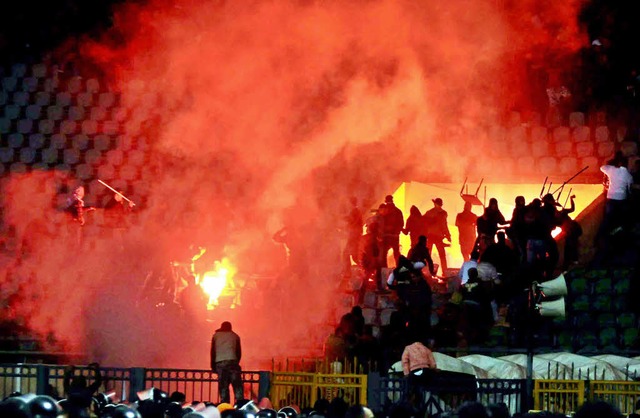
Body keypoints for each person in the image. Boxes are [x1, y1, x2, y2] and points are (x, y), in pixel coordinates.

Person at [600, 152, 633, 235]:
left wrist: (611, 160)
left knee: (607, 218)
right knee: (620, 218)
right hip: (622, 199)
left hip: (611, 197)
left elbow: (602, 167)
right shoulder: (628, 175)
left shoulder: (611, 169)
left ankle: (601, 236)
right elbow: (629, 187)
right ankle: (618, 233)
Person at [211, 321, 243, 404]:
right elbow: (238, 352)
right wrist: (236, 362)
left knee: (223, 387)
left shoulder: (216, 336)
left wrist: (213, 366)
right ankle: (239, 405)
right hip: (233, 362)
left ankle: (225, 406)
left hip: (220, 363)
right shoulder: (235, 336)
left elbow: (213, 352)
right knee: (237, 386)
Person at [423, 198, 451, 273]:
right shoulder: (443, 213)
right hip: (438, 236)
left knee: (427, 255)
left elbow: (423, 222)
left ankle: (426, 271)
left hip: (431, 236)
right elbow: (444, 225)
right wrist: (448, 235)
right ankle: (445, 272)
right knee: (442, 256)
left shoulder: (429, 212)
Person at [381, 195, 404, 267]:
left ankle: (384, 270)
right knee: (396, 253)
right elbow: (401, 223)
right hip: (395, 236)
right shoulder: (398, 211)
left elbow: (379, 221)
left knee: (383, 253)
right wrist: (397, 232)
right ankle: (399, 269)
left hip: (385, 236)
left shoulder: (384, 211)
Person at [342, 197, 363, 277]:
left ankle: (350, 272)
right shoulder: (356, 211)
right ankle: (362, 271)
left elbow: (352, 222)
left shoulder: (355, 211)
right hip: (355, 236)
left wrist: (344, 222)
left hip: (354, 236)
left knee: (348, 254)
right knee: (353, 255)